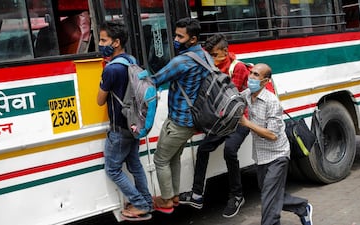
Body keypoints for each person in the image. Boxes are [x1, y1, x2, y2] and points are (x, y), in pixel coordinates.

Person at [178, 33, 250, 218]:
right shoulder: (210, 66)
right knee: (203, 149)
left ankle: (237, 195)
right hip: (220, 121)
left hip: (239, 120)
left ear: (225, 52)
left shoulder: (238, 68)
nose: (211, 59)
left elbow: (228, 103)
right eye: (208, 55)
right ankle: (197, 194)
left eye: (214, 54)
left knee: (230, 151)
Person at [148, 17, 211, 214]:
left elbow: (154, 80)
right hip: (194, 120)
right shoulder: (204, 55)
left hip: (179, 121)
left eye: (179, 36)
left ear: (192, 39)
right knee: (173, 157)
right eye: (175, 34)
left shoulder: (182, 61)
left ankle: (166, 200)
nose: (175, 39)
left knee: (160, 159)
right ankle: (174, 195)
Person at [239, 63, 313, 225]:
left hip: (277, 155)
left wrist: (246, 123)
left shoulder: (271, 102)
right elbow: (232, 101)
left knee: (269, 199)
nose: (251, 77)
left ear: (265, 82)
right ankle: (301, 207)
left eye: (256, 75)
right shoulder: (246, 95)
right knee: (270, 193)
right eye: (251, 73)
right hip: (260, 155)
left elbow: (272, 135)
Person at [96, 21, 153, 221]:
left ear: (116, 42)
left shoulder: (111, 69)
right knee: (135, 165)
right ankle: (146, 200)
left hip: (120, 128)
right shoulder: (131, 61)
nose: (100, 44)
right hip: (134, 124)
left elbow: (100, 100)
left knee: (113, 169)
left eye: (104, 40)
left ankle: (139, 203)